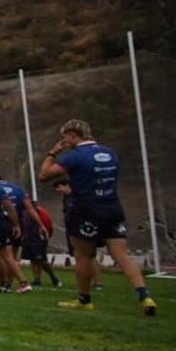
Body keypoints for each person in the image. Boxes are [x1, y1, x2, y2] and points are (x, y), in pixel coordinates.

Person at [38, 118, 157, 315]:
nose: (64, 141)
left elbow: (44, 175)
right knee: (122, 255)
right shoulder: (110, 153)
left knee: (84, 256)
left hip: (86, 209)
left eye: (64, 137)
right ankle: (145, 296)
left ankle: (84, 299)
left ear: (73, 135)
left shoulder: (75, 156)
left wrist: (54, 152)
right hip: (112, 207)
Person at [22, 195, 61, 287]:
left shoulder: (39, 212)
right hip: (28, 239)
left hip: (38, 239)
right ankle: (37, 279)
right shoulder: (24, 212)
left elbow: (48, 224)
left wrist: (46, 235)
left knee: (41, 259)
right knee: (33, 259)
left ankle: (54, 278)